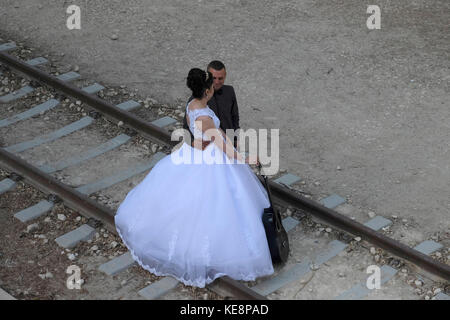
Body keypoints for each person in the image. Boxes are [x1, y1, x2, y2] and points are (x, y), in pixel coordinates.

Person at [114, 68, 274, 288]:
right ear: (207, 90)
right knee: (218, 205)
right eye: (212, 88)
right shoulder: (206, 118)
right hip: (211, 159)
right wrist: (247, 158)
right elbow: (226, 149)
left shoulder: (192, 106)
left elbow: (209, 136)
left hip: (193, 153)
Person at [183, 60, 240, 149]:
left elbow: (235, 117)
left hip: (228, 142)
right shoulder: (196, 100)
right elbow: (187, 126)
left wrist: (235, 139)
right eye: (214, 78)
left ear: (225, 76)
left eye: (220, 78)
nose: (217, 82)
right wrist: (193, 143)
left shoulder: (230, 91)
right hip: (208, 148)